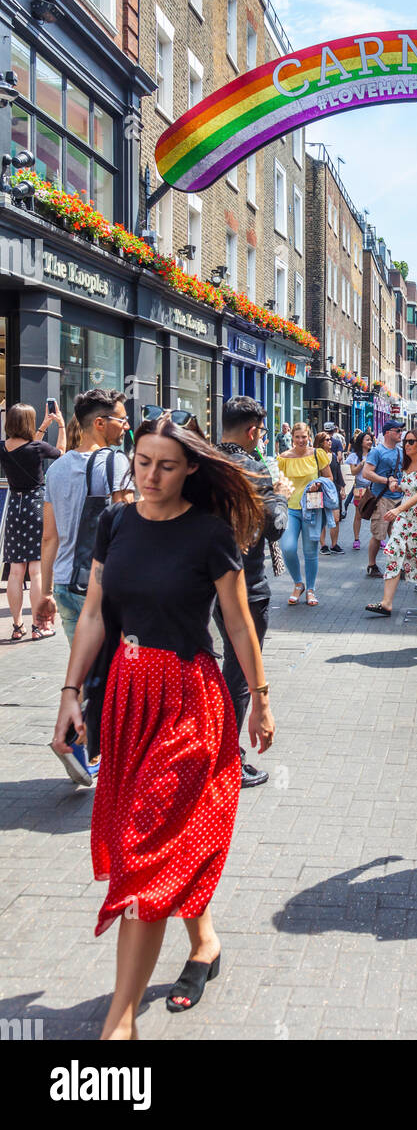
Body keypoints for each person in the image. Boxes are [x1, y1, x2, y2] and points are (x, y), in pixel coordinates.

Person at [50, 415, 273, 1039]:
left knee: (146, 846)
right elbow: (94, 614)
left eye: (166, 465)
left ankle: (119, 1024)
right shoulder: (115, 522)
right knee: (163, 839)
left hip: (186, 699)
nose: (149, 476)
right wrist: (70, 692)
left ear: (192, 469)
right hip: (125, 696)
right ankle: (204, 942)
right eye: (142, 462)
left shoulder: (209, 534)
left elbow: (237, 625)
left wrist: (259, 697)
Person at [38, 390, 133, 787]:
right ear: (99, 422)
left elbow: (49, 537)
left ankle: (81, 743)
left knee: (86, 669)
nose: (126, 426)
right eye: (121, 420)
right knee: (114, 674)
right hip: (101, 586)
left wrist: (44, 592)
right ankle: (79, 741)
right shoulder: (115, 462)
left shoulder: (57, 468)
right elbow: (124, 530)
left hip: (64, 583)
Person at [216, 396, 290, 787]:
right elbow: (275, 528)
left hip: (205, 582)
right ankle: (229, 757)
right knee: (241, 669)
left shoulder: (204, 463)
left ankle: (213, 748)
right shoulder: (254, 469)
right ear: (252, 430)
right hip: (247, 582)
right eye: (259, 430)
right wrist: (278, 493)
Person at [1, 402, 66, 642]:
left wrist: (41, 428)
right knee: (36, 569)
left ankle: (17, 627)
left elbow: (24, 447)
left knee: (15, 571)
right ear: (28, 423)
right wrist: (60, 425)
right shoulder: (38, 448)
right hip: (36, 507)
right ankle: (39, 626)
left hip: (15, 509)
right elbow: (62, 452)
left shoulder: (3, 448)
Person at [365, 428, 417, 617]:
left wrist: (398, 509)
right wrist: (396, 485)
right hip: (405, 520)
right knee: (393, 553)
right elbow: (408, 490)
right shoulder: (406, 467)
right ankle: (386, 603)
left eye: (411, 442)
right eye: (405, 441)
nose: (406, 445)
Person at [277, 422, 331, 606]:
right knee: (288, 548)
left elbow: (329, 477)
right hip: (290, 509)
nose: (301, 440)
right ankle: (298, 583)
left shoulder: (317, 454)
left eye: (304, 436)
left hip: (312, 508)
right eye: (297, 437)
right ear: (292, 437)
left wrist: (319, 484)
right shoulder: (283, 458)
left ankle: (311, 589)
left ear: (309, 436)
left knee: (310, 552)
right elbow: (278, 484)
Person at [360, 420, 405, 578]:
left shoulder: (400, 451)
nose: (400, 433)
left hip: (399, 499)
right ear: (387, 433)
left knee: (398, 535)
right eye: (397, 431)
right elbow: (366, 473)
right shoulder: (377, 451)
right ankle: (372, 565)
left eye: (401, 431)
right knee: (378, 535)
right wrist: (386, 481)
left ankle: (397, 567)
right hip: (382, 498)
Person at [315, 431, 345, 554]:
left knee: (336, 518)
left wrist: (342, 487)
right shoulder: (314, 456)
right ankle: (323, 545)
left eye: (330, 439)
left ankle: (334, 544)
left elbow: (338, 473)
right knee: (321, 519)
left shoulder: (333, 456)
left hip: (333, 491)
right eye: (327, 440)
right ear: (320, 442)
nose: (330, 441)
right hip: (319, 491)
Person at [347, 431, 374, 549]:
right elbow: (353, 472)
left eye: (371, 439)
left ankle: (378, 538)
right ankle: (356, 539)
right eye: (367, 439)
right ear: (361, 442)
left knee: (376, 515)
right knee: (358, 515)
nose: (370, 442)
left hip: (374, 488)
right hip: (360, 489)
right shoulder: (354, 456)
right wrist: (362, 464)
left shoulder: (375, 454)